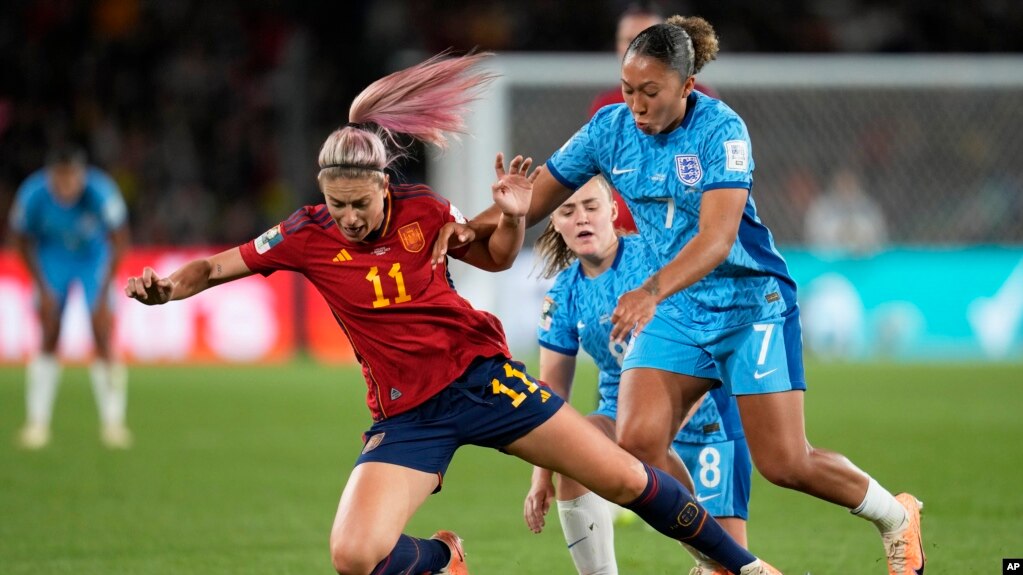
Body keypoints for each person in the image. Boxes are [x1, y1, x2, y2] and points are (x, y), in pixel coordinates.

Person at [123, 52, 780, 575]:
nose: (347, 217)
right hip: (407, 414)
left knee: (623, 476)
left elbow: (494, 257)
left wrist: (517, 216)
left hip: (482, 382)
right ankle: (444, 558)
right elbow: (213, 266)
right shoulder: (304, 232)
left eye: (359, 202)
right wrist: (168, 290)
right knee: (354, 556)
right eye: (336, 203)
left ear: (384, 184)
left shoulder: (425, 213)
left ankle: (746, 568)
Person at [436, 16, 925, 575]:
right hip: (681, 307)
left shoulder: (723, 131)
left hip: (750, 302)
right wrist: (466, 232)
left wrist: (648, 291)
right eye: (627, 91)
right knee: (639, 442)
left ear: (687, 87)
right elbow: (531, 199)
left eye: (651, 93)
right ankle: (719, 560)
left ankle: (896, 518)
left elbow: (717, 239)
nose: (637, 106)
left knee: (786, 463)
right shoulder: (608, 129)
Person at [523, 175, 752, 575]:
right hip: (624, 418)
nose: (581, 219)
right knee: (572, 448)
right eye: (567, 210)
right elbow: (551, 395)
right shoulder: (562, 296)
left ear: (612, 212)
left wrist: (663, 426)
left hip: (706, 420)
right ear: (555, 222)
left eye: (591, 207)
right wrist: (541, 476)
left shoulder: (655, 260)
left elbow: (706, 337)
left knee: (726, 562)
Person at [9, 145, 132, 449]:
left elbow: (120, 240)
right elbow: (21, 241)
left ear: (81, 175)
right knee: (49, 331)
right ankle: (37, 423)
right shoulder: (32, 194)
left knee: (101, 332)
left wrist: (103, 291)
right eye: (59, 179)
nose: (65, 186)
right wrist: (41, 286)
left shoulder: (101, 191)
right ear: (50, 176)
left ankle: (113, 423)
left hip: (93, 258)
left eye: (71, 178)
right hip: (52, 257)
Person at [588, 2, 719, 235]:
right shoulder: (606, 107)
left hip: (684, 232)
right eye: (628, 40)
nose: (636, 50)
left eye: (647, 40)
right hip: (623, 234)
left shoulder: (700, 99)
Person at [804, 166, 888, 255]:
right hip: (829, 258)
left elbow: (879, 234)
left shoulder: (868, 206)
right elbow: (813, 235)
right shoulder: (822, 207)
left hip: (863, 258)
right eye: (843, 183)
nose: (846, 188)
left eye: (850, 184)